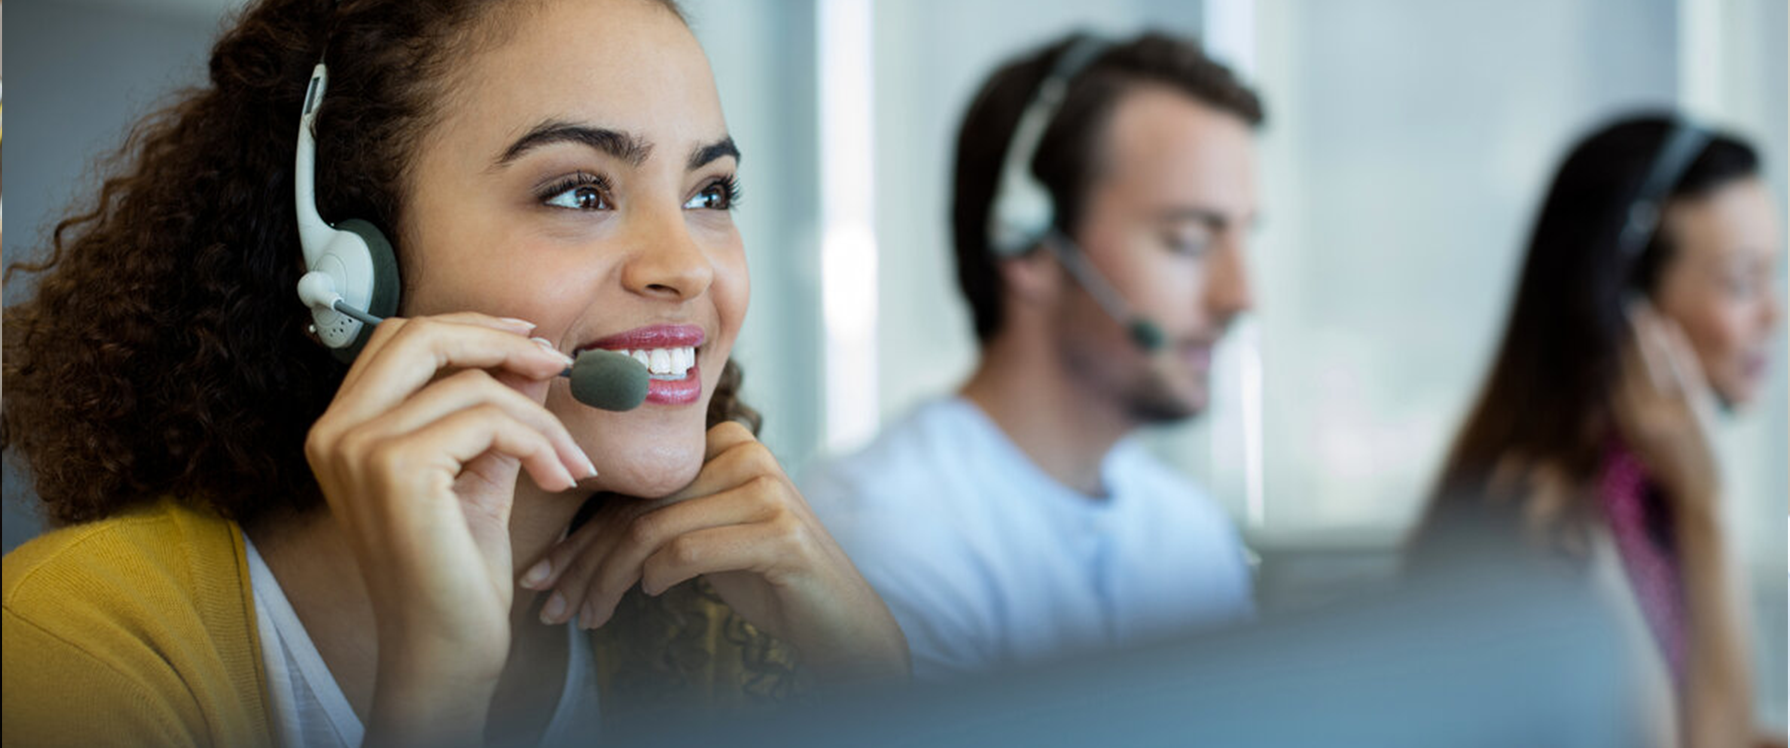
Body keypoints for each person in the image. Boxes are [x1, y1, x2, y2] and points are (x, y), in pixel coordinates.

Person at [0, 1, 908, 746]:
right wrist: (433, 692)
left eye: (709, 194)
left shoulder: (704, 618)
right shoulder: (75, 648)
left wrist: (875, 680)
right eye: (579, 192)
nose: (690, 266)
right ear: (356, 262)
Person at [790, 32, 1262, 680]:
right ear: (1029, 248)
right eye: (1186, 240)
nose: (1240, 296)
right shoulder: (883, 534)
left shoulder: (1191, 535)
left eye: (1242, 238)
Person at [1417, 115, 1780, 748]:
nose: (1775, 313)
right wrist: (1709, 507)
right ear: (1624, 302)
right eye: (1742, 281)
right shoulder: (1550, 519)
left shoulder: (1645, 490)